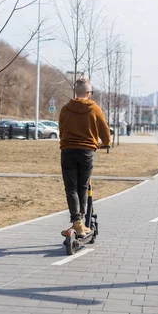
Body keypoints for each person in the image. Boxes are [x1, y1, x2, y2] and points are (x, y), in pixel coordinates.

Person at [59, 79, 111, 236]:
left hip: (67, 150)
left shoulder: (65, 109)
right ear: (89, 93)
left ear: (76, 92)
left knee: (71, 187)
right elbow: (105, 131)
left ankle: (76, 222)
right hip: (87, 151)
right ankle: (81, 223)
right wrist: (105, 143)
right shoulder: (95, 109)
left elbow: (61, 130)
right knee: (82, 186)